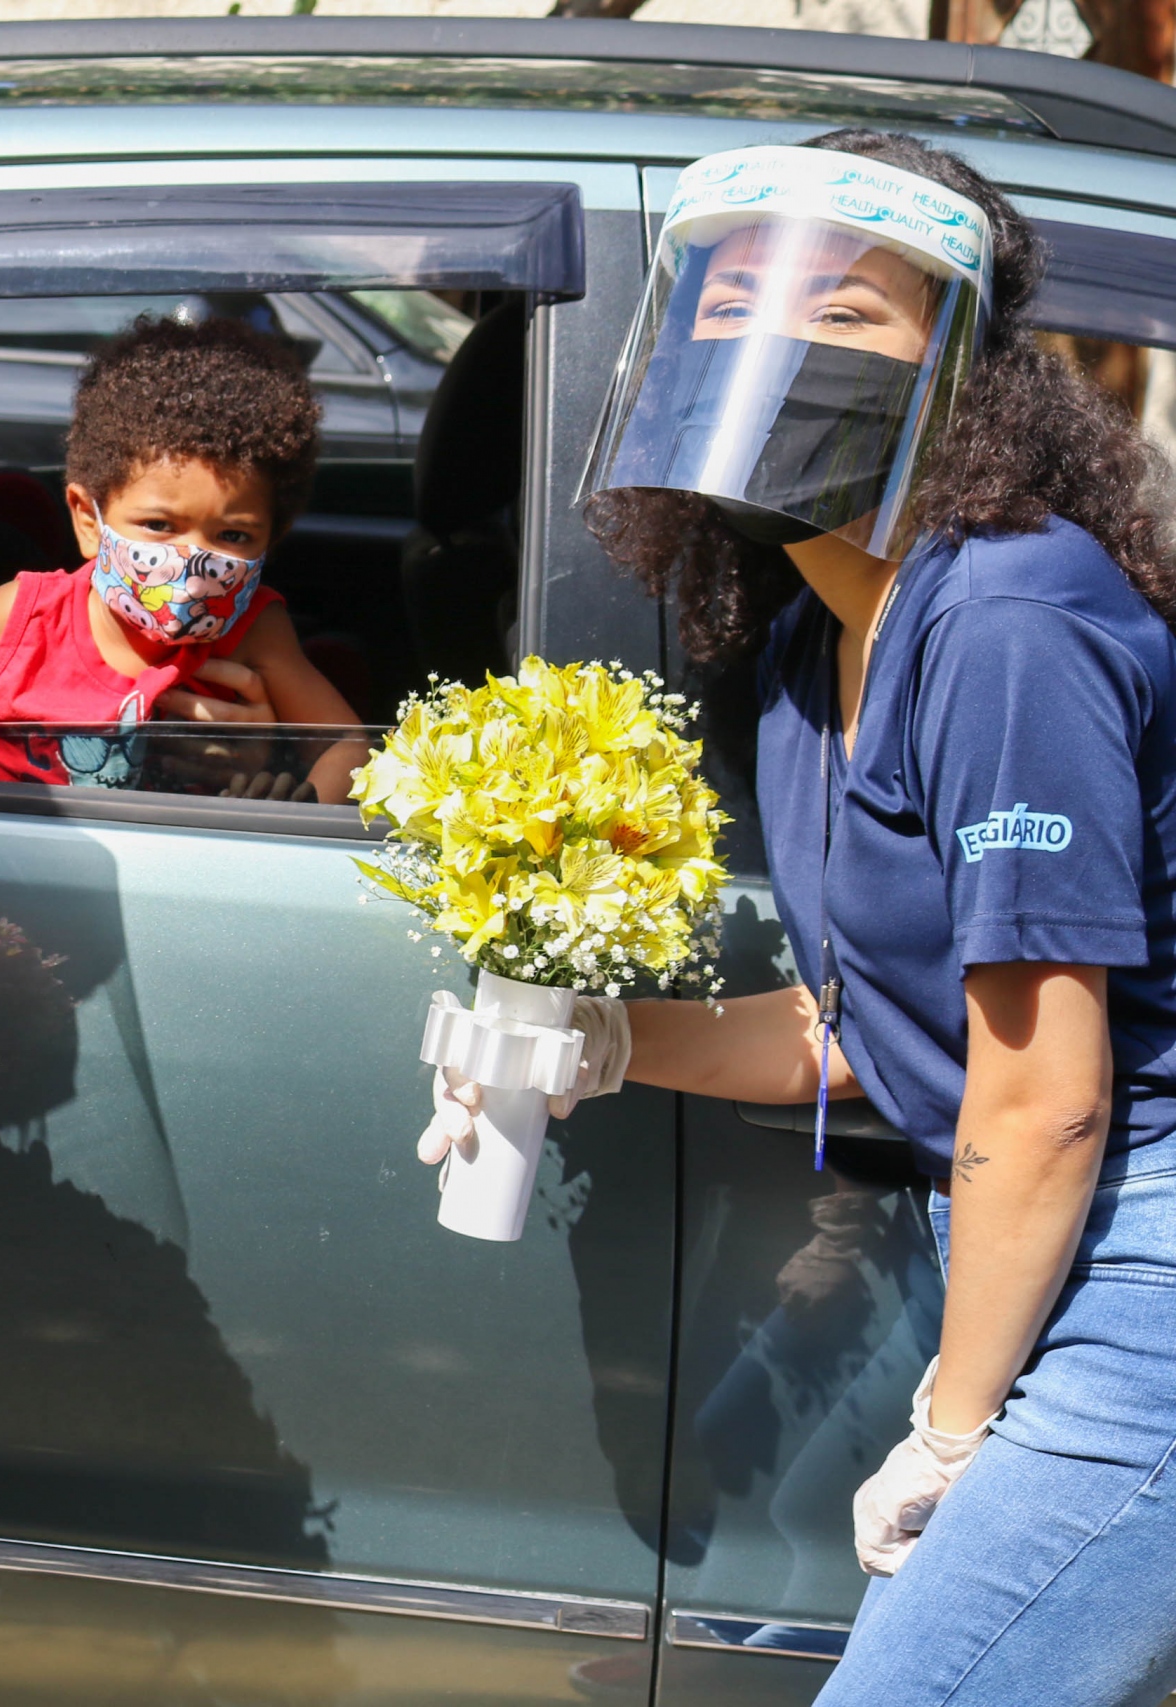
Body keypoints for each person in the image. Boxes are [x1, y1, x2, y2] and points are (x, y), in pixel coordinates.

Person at [432, 131, 1176, 1705]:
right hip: (1034, 1229)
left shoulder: (1008, 619)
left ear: (960, 372)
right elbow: (866, 1021)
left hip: (1139, 1252)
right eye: (730, 305)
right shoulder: (808, 636)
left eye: (842, 313)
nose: (770, 346)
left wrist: (954, 1433)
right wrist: (594, 1040)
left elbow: (1043, 1097)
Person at [0, 313, 365, 796]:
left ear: (272, 538)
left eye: (232, 535)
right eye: (159, 526)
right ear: (88, 520)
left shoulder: (253, 631)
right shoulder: (20, 619)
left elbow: (349, 748)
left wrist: (291, 808)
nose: (193, 565)